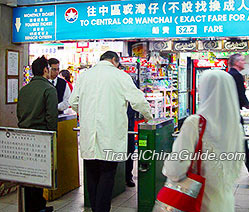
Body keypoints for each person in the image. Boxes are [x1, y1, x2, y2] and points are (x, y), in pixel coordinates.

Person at [69, 51, 152, 212]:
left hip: (89, 138)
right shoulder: (120, 76)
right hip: (110, 137)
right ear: (114, 60)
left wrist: (86, 111)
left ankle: (95, 209)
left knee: (92, 177)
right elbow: (138, 100)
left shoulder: (84, 76)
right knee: (107, 177)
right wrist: (148, 116)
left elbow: (73, 102)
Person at [162, 70, 244, 212]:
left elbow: (175, 169)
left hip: (198, 203)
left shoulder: (195, 123)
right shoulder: (236, 126)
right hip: (224, 203)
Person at [17, 56, 58, 212]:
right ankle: (38, 207)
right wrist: (53, 138)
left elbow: (19, 113)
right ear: (45, 70)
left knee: (27, 174)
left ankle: (31, 206)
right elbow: (51, 117)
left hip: (23, 136)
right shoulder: (49, 89)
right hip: (41, 138)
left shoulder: (24, 89)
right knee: (40, 174)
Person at [228, 53, 249, 176]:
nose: (244, 62)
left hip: (228, 113)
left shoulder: (228, 75)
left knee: (236, 141)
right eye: (242, 60)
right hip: (234, 114)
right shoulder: (237, 76)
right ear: (236, 63)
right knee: (241, 140)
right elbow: (240, 94)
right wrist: (247, 104)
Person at [118, 64, 137, 187]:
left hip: (128, 124)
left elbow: (136, 100)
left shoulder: (129, 82)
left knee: (129, 151)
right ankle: (118, 178)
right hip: (115, 124)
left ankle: (128, 176)